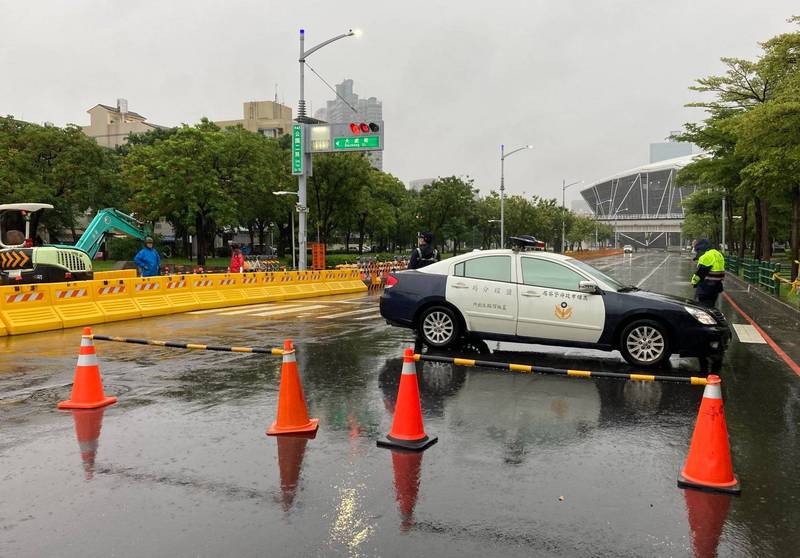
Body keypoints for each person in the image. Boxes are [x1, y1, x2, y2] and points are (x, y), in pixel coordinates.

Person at [691, 238, 725, 308]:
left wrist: (694, 282)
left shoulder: (706, 256)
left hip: (706, 287)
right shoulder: (718, 254)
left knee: (700, 309)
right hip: (716, 286)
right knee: (711, 306)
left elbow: (700, 273)